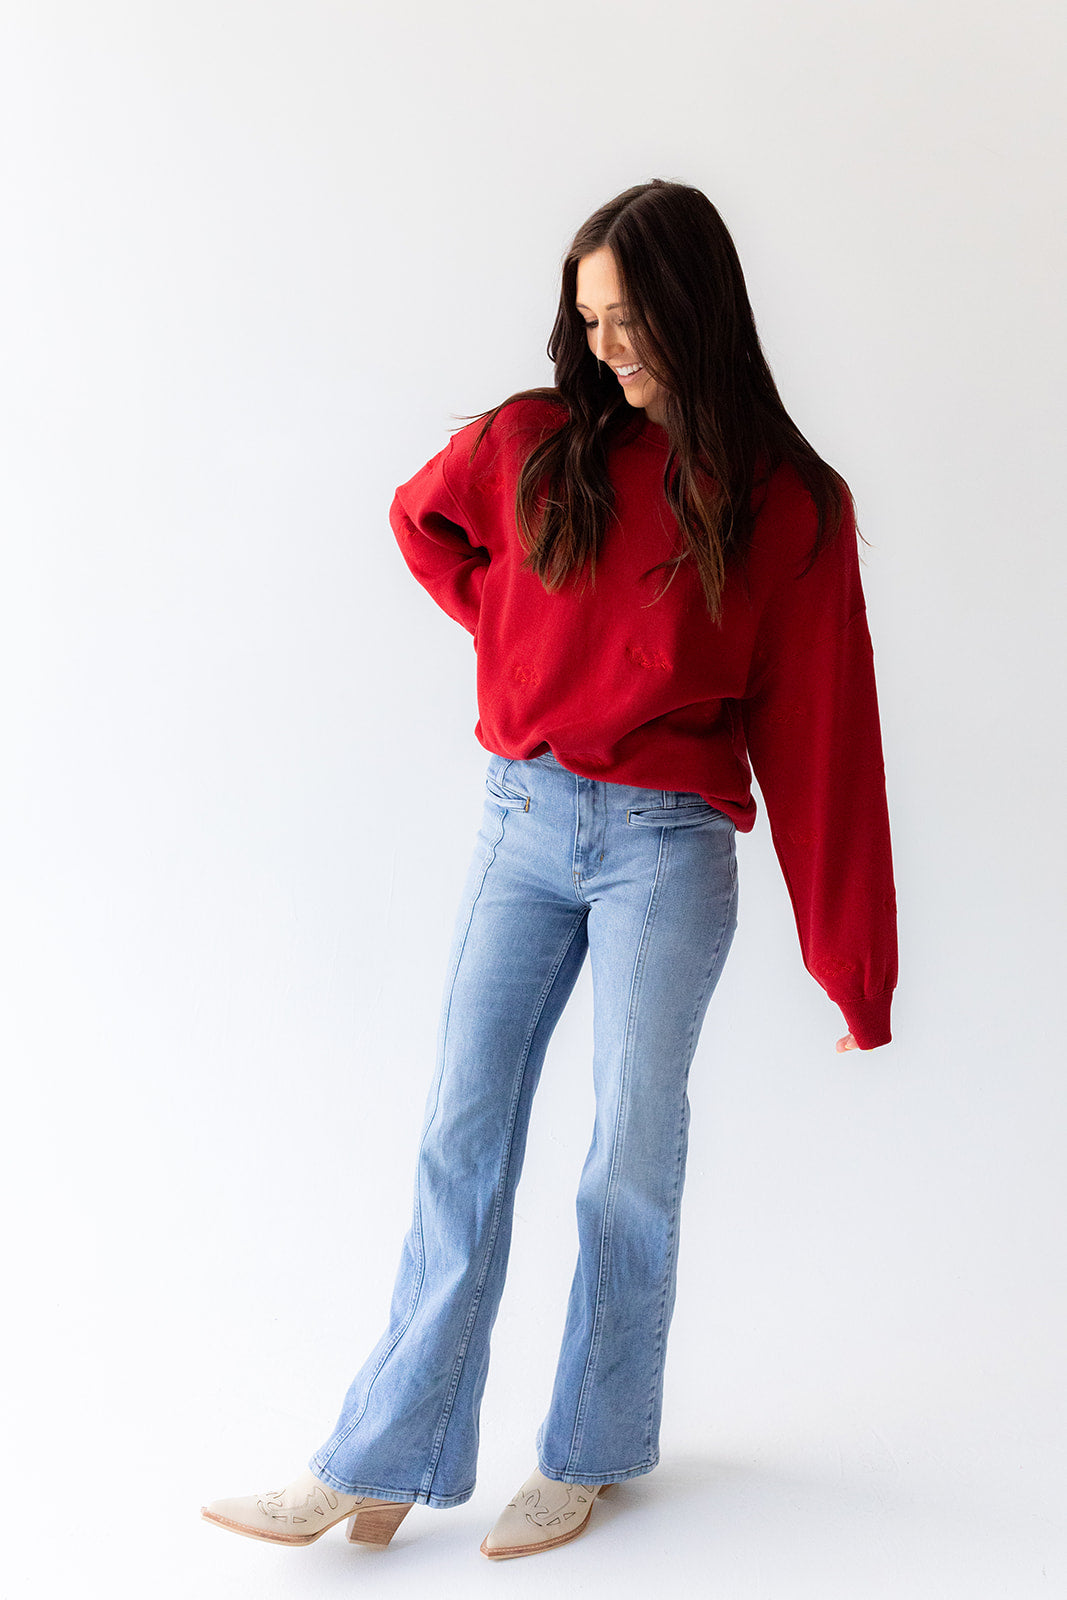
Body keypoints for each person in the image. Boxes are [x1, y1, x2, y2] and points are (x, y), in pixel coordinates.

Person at [201, 178, 897, 1561]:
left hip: (668, 849)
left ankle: (586, 1449)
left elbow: (824, 743)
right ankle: (380, 1457)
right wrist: (510, 631)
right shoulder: (530, 442)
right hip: (521, 823)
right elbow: (421, 521)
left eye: (633, 322)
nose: (609, 349)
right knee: (462, 1136)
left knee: (628, 1155)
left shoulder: (791, 506)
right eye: (590, 322)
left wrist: (853, 971)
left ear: (699, 314)